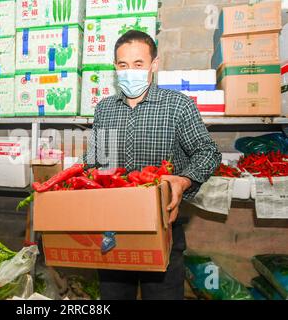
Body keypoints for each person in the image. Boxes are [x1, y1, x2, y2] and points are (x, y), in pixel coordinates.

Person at [84, 30, 222, 300]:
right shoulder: (104, 109)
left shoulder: (178, 106)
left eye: (138, 64)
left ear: (153, 65)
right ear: (115, 68)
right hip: (113, 231)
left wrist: (184, 180)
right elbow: (94, 161)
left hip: (163, 227)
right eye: (123, 65)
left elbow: (208, 152)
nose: (130, 71)